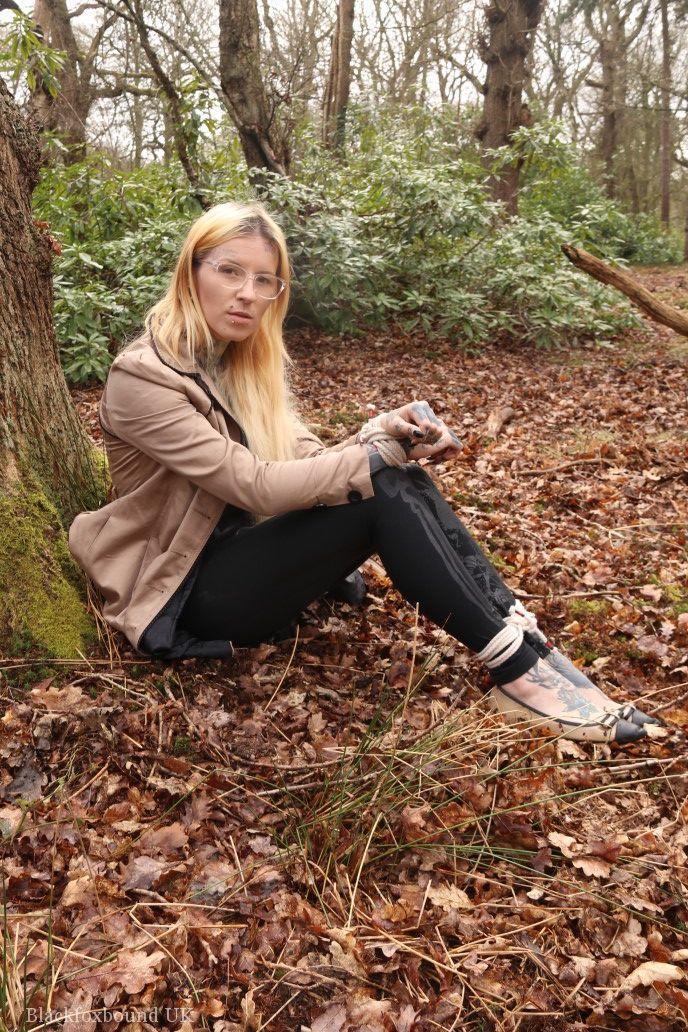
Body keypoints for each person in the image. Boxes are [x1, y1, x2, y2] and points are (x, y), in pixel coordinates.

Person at [68, 200, 660, 745]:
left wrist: (386, 433)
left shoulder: (239, 362)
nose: (247, 293)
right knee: (381, 481)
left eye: (265, 280)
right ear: (190, 271)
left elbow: (304, 459)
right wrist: (378, 456)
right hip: (188, 588)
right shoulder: (143, 378)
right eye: (229, 271)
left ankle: (527, 647)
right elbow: (252, 484)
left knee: (393, 478)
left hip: (250, 556)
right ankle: (520, 673)